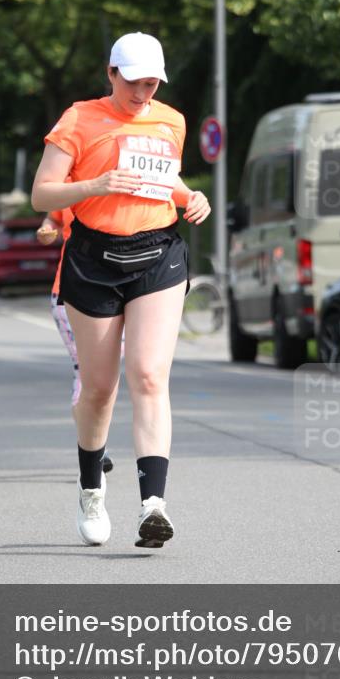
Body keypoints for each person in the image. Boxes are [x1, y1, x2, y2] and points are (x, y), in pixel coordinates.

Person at [31, 31, 211, 549]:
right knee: (99, 389)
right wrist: (93, 186)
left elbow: (166, 178)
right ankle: (91, 488)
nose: (142, 93)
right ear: (111, 74)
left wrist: (191, 194)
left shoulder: (170, 119)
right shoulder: (78, 119)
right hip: (92, 258)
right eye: (133, 82)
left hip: (157, 253)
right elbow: (43, 192)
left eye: (152, 83)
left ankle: (154, 504)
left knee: (150, 375)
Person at [36, 207, 114, 473]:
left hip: (115, 294)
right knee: (86, 371)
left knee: (103, 375)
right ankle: (94, 449)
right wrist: (47, 229)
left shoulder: (121, 181)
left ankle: (94, 444)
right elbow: (53, 217)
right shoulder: (67, 184)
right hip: (69, 292)